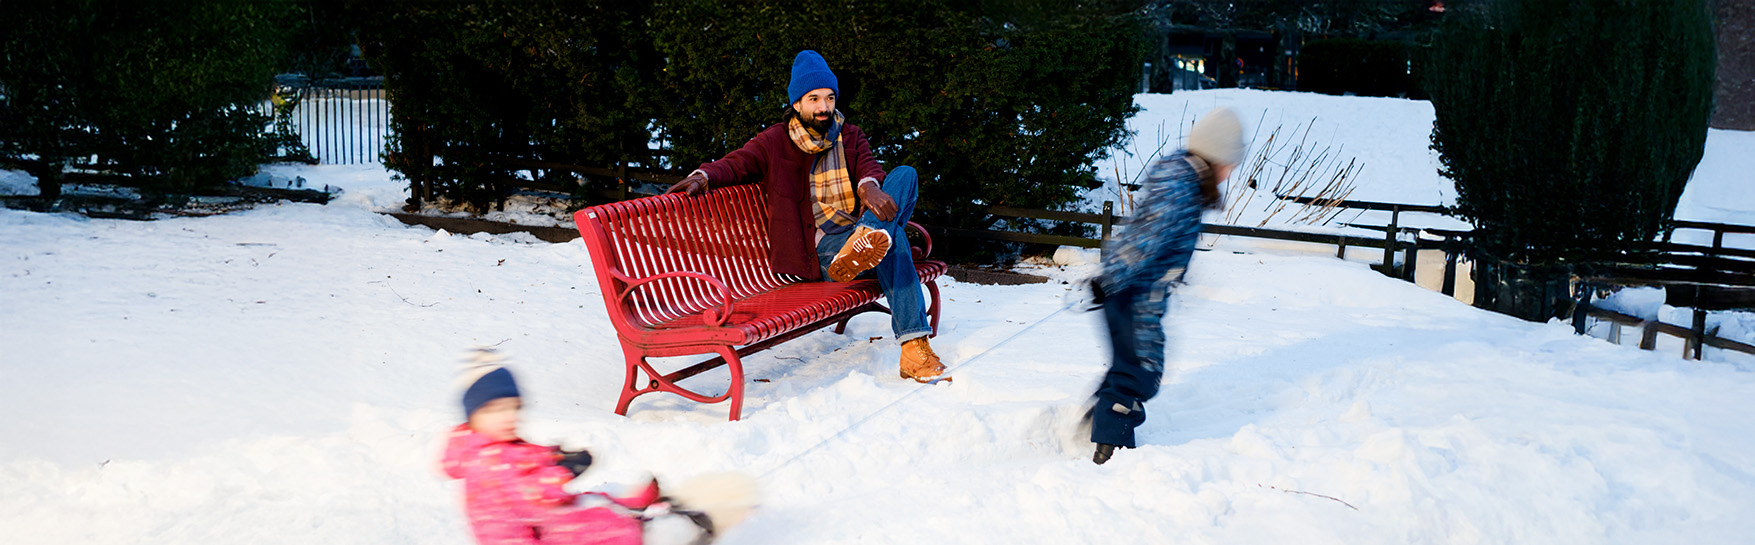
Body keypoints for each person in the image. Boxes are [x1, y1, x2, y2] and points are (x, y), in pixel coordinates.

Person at [667, 50, 945, 383]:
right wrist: (704, 176)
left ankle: (869, 238)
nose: (824, 107)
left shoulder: (850, 135)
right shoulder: (775, 141)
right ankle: (913, 348)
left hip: (856, 231)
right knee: (896, 239)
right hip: (821, 253)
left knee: (905, 175)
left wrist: (869, 187)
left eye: (829, 98)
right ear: (797, 104)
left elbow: (869, 167)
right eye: (814, 99)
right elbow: (738, 162)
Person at [442, 349, 751, 544]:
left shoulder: (491, 445)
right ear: (473, 416)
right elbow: (527, 498)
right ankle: (648, 531)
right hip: (533, 535)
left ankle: (631, 506)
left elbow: (522, 467)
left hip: (542, 521)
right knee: (601, 528)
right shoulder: (484, 462)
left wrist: (553, 457)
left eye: (513, 407)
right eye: (495, 410)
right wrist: (558, 472)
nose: (508, 417)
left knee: (591, 501)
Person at [1087, 108, 1244, 465]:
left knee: (1132, 365)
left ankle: (1098, 420)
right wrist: (1110, 279)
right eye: (1230, 163)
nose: (1231, 171)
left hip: (1135, 289)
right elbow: (1145, 238)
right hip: (1132, 292)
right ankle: (1111, 450)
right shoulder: (1181, 187)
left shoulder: (1184, 179)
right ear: (1215, 155)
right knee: (1140, 372)